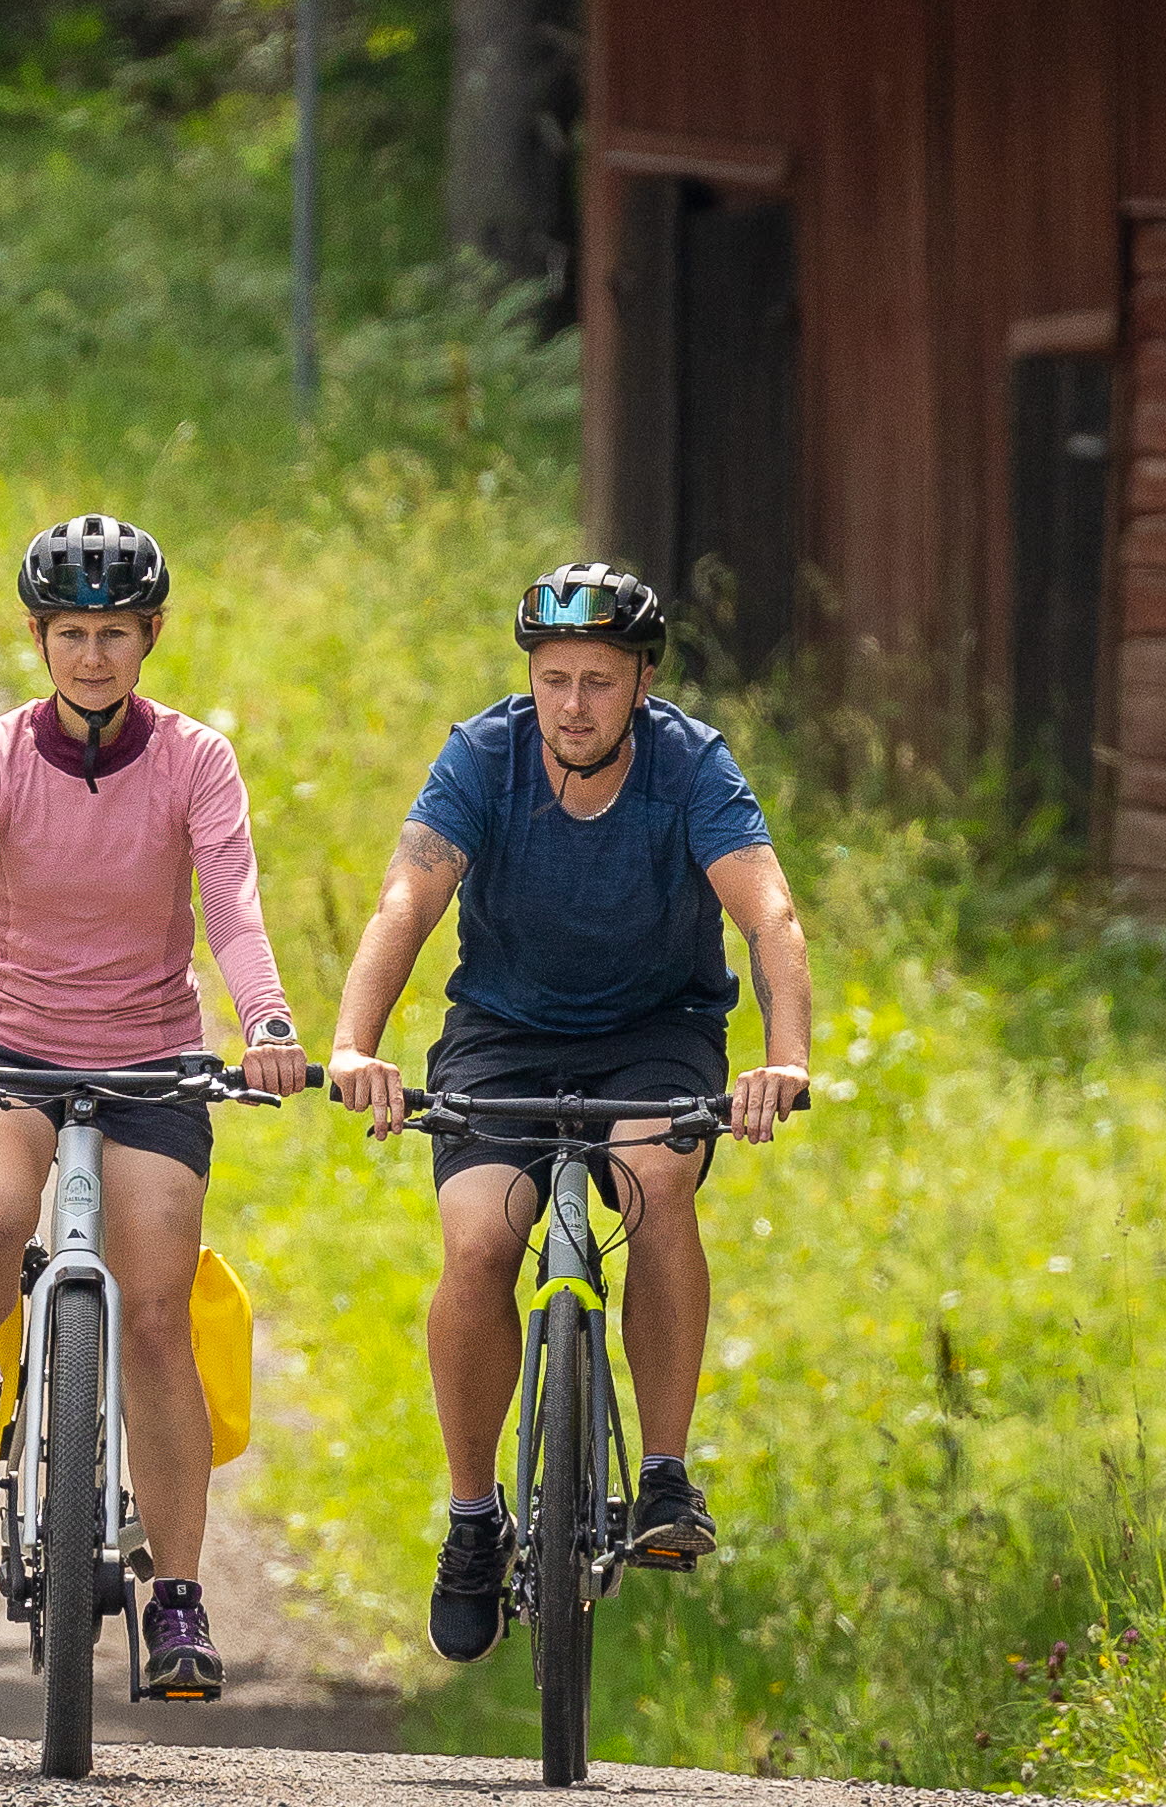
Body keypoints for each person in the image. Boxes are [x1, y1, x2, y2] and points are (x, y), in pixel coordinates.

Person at [0, 512, 320, 1705]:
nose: (93, 658)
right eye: (71, 635)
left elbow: (233, 910)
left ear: (149, 636)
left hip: (152, 1064)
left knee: (158, 1310)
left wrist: (263, 1024)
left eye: (114, 633)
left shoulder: (195, 761)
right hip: (7, 1049)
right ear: (37, 638)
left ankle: (176, 1597)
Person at [324, 560, 810, 1666]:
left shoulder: (691, 767)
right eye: (554, 679)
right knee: (480, 1236)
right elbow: (409, 893)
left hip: (656, 1032)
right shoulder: (482, 756)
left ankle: (664, 1478)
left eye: (598, 679)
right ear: (530, 681)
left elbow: (768, 913)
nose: (574, 704)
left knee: (656, 1177)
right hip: (504, 1034)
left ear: (641, 682)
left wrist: (781, 1063)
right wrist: (356, 1043)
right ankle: (468, 1520)